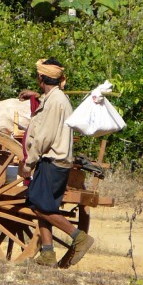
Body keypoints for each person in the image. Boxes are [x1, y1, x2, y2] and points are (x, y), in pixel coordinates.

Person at [18, 57, 94, 267]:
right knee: (41, 204)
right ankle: (48, 253)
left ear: (41, 77)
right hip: (51, 160)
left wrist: (29, 163)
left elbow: (44, 137)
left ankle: (79, 237)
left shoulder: (56, 101)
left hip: (53, 160)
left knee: (40, 206)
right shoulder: (53, 98)